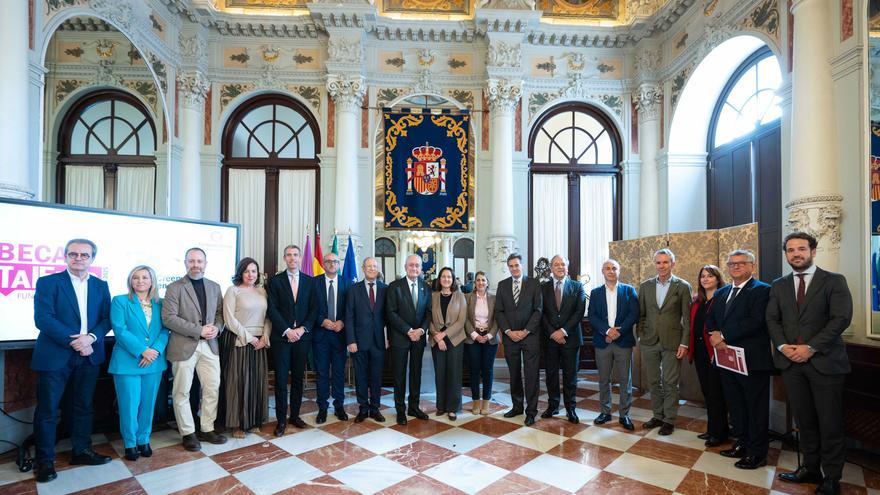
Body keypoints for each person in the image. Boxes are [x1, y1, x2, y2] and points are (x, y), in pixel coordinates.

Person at [768, 232, 853, 495]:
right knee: (805, 421)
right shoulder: (779, 285)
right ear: (786, 254)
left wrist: (810, 348)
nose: (796, 254)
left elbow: (840, 319)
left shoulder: (834, 281)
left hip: (825, 363)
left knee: (829, 423)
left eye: (801, 249)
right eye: (791, 250)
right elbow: (773, 320)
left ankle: (832, 477)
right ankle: (811, 468)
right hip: (791, 364)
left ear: (813, 251)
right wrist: (784, 347)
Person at [31, 239, 112, 482]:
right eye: (73, 254)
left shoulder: (100, 285)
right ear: (65, 256)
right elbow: (43, 319)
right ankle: (44, 460)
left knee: (83, 407)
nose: (79, 258)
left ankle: (82, 451)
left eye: (84, 255)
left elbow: (107, 319)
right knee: (47, 410)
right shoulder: (48, 282)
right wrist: (74, 341)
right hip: (55, 355)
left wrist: (91, 338)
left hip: (89, 356)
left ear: (92, 259)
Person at [706, 250, 772, 470]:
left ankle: (757, 453)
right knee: (735, 405)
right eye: (731, 263)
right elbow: (711, 319)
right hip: (726, 359)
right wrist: (716, 336)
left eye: (741, 263)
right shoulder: (722, 292)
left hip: (753, 361)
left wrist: (723, 336)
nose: (735, 267)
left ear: (752, 266)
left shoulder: (762, 290)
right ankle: (741, 443)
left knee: (755, 408)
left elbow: (756, 321)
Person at [163, 247, 226, 451]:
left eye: (199, 261)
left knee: (212, 388)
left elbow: (219, 314)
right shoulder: (174, 288)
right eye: (192, 261)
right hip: (184, 346)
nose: (196, 265)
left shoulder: (215, 287)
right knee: (182, 392)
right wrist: (199, 330)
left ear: (205, 264)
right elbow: (169, 318)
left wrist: (216, 328)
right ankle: (188, 433)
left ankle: (207, 428)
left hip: (210, 346)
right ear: (185, 263)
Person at [109, 265, 170, 461]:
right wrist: (142, 350)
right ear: (130, 281)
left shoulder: (161, 304)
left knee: (148, 404)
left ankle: (144, 439)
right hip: (128, 361)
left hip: (153, 361)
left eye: (145, 277)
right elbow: (119, 329)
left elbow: (165, 330)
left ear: (152, 280)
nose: (140, 281)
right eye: (136, 277)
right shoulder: (120, 301)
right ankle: (130, 443)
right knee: (129, 405)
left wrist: (155, 351)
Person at [638, 248, 692, 435]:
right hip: (649, 341)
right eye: (658, 262)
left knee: (669, 382)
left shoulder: (683, 286)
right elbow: (641, 314)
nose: (661, 266)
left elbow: (687, 318)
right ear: (655, 264)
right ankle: (657, 416)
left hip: (673, 342)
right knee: (653, 382)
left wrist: (684, 343)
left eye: (665, 262)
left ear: (673, 264)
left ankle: (669, 420)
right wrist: (641, 335)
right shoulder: (645, 286)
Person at [266, 244, 319, 436]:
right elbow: (272, 309)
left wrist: (302, 329)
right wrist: (287, 330)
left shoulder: (310, 282)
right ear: (284, 258)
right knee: (281, 380)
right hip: (282, 338)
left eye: (295, 255)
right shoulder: (275, 281)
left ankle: (294, 416)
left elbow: (315, 309)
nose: (292, 258)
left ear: (300, 257)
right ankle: (281, 421)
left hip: (302, 338)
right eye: (288, 255)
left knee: (298, 379)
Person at [221, 258, 270, 439]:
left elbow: (267, 317)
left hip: (260, 343)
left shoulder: (262, 291)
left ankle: (254, 421)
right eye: (247, 271)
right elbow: (229, 319)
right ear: (240, 272)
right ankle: (238, 424)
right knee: (239, 383)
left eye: (254, 271)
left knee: (256, 382)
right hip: (240, 341)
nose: (251, 275)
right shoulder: (232, 291)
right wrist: (250, 339)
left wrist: (265, 336)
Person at [587, 259, 639, 430]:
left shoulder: (629, 290)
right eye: (607, 268)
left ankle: (624, 415)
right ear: (603, 271)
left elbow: (634, 314)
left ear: (619, 271)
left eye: (614, 268)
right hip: (603, 342)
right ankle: (605, 412)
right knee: (603, 380)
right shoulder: (595, 293)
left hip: (623, 342)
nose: (611, 271)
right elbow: (592, 316)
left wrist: (620, 330)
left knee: (626, 380)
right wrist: (607, 331)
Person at [495, 253, 543, 425]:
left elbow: (538, 310)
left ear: (522, 265)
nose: (514, 268)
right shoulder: (502, 285)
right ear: (508, 267)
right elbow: (499, 311)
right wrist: (508, 331)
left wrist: (525, 331)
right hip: (510, 338)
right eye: (511, 266)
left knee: (531, 375)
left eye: (516, 265)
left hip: (529, 337)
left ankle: (531, 411)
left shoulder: (534, 284)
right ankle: (517, 407)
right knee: (514, 374)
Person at [385, 254, 432, 425]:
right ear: (405, 267)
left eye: (417, 265)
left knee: (416, 373)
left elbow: (429, 313)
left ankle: (414, 406)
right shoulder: (394, 286)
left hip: (418, 338)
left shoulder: (426, 288)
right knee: (399, 375)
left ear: (421, 269)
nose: (414, 268)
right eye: (411, 265)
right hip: (400, 337)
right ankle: (400, 410)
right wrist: (408, 330)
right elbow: (391, 312)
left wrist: (420, 330)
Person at [540, 255, 586, 424]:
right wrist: (553, 332)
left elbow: (579, 312)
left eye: (563, 264)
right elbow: (541, 312)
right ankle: (552, 406)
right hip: (549, 339)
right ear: (551, 268)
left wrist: (563, 331)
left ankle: (570, 408)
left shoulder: (577, 286)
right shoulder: (543, 288)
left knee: (570, 375)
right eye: (556, 264)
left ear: (567, 267)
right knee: (551, 374)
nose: (560, 267)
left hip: (571, 339)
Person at [687, 265, 730, 446]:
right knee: (707, 392)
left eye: (710, 276)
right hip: (699, 351)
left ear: (718, 279)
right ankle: (713, 429)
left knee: (716, 394)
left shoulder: (724, 298)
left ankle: (719, 434)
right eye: (702, 276)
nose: (705, 279)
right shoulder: (698, 301)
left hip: (715, 351)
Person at [345, 257, 388, 423]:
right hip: (359, 341)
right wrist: (351, 341)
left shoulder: (385, 289)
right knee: (361, 376)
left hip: (379, 341)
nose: (372, 269)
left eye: (374, 266)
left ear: (378, 269)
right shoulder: (353, 290)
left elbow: (388, 316)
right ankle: (363, 408)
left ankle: (375, 408)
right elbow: (349, 317)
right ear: (363, 268)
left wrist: (387, 337)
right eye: (369, 266)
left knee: (376, 376)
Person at [313, 252, 351, 424]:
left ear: (339, 264)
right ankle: (322, 408)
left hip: (340, 335)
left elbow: (351, 309)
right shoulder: (314, 282)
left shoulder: (347, 283)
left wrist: (342, 321)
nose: (331, 264)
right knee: (321, 373)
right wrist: (322, 321)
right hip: (321, 335)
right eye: (328, 261)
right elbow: (309, 308)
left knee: (338, 373)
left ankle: (339, 406)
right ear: (324, 263)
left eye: (335, 261)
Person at [429, 267, 467, 420]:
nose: (446, 279)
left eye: (449, 277)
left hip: (455, 340)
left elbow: (461, 321)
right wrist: (437, 337)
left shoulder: (460, 296)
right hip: (436, 340)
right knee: (440, 373)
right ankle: (441, 406)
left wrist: (443, 335)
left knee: (454, 374)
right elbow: (428, 319)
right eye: (443, 277)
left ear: (453, 279)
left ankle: (453, 407)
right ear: (439, 279)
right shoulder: (433, 297)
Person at [464, 271, 498, 415]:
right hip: (473, 337)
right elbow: (464, 318)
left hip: (490, 338)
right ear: (474, 283)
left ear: (487, 282)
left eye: (483, 280)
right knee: (474, 371)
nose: (480, 283)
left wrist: (489, 335)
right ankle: (476, 401)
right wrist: (475, 335)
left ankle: (486, 402)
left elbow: (498, 319)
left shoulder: (494, 299)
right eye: (478, 280)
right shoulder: (468, 298)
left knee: (488, 371)